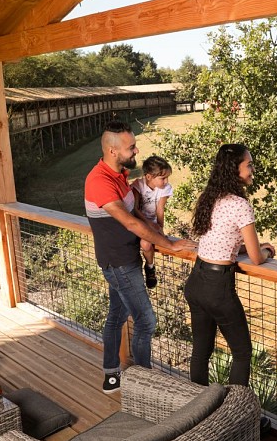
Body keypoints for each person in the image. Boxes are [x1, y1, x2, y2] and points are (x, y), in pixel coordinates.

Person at [84, 120, 196, 393]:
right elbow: (131, 223)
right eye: (131, 147)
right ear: (113, 151)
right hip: (119, 263)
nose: (136, 151)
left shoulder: (119, 175)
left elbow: (135, 214)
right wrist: (171, 245)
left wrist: (157, 231)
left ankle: (112, 374)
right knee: (146, 320)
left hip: (127, 257)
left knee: (116, 315)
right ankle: (145, 384)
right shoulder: (99, 181)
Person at [183, 143, 276, 388]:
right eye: (249, 164)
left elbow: (225, 239)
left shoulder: (211, 197)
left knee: (201, 352)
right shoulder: (240, 205)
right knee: (242, 353)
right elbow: (257, 258)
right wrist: (266, 249)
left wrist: (247, 247)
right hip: (217, 288)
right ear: (234, 169)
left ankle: (199, 409)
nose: (253, 169)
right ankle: (235, 414)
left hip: (197, 280)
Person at [130, 155, 173, 289]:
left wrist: (160, 229)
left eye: (167, 177)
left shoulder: (165, 188)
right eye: (162, 178)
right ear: (149, 177)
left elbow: (160, 210)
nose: (166, 181)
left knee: (146, 243)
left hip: (152, 223)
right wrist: (149, 224)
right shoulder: (138, 185)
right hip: (139, 221)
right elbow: (135, 208)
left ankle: (150, 267)